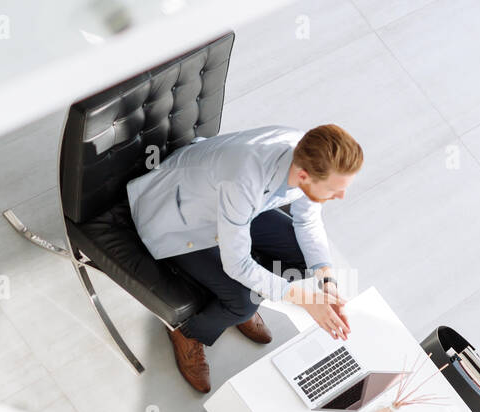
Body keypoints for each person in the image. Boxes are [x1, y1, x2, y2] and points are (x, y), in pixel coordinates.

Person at [127, 124, 362, 392]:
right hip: (178, 216)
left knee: (302, 260)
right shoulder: (244, 178)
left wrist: (327, 281)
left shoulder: (308, 153)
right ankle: (188, 332)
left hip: (233, 207)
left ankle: (249, 294)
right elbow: (236, 264)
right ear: (304, 175)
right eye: (335, 190)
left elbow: (307, 222)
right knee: (242, 302)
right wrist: (305, 300)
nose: (342, 196)